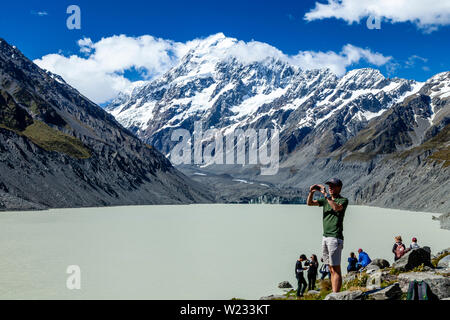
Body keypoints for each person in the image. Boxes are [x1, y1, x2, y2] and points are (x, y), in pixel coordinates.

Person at [307, 178, 349, 293]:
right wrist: (311, 192)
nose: (330, 187)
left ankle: (336, 295)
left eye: (333, 186)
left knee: (336, 268)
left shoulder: (343, 200)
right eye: (329, 185)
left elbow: (336, 208)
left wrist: (325, 194)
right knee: (330, 267)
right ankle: (334, 293)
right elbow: (309, 203)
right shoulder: (326, 200)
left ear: (339, 187)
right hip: (325, 236)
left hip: (335, 237)